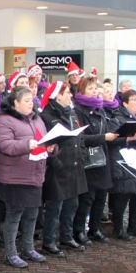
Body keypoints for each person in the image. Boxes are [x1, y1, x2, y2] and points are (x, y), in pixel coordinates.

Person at [0, 87, 55, 268]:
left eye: (32, 99)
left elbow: (45, 139)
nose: (31, 103)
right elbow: (4, 145)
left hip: (35, 173)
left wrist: (51, 147)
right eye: (26, 100)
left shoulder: (37, 118)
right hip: (14, 176)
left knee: (32, 213)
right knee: (14, 214)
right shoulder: (4, 120)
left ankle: (28, 248)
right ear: (15, 103)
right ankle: (10, 253)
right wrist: (28, 144)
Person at [39, 81, 88, 257]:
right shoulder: (46, 116)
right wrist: (56, 162)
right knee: (54, 208)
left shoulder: (72, 113)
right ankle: (48, 241)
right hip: (57, 168)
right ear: (58, 95)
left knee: (72, 205)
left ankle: (66, 237)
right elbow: (45, 142)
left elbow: (80, 137)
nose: (71, 95)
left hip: (74, 166)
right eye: (67, 92)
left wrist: (81, 155)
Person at [73, 77, 116, 243]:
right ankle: (79, 230)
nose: (95, 92)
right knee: (86, 199)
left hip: (102, 158)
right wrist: (103, 137)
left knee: (100, 197)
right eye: (91, 89)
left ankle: (95, 228)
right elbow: (81, 137)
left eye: (96, 89)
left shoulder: (100, 110)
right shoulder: (78, 111)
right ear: (82, 91)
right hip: (88, 160)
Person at [106, 90, 136, 240]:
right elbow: (111, 141)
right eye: (134, 100)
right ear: (125, 103)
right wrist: (129, 138)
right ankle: (118, 228)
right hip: (124, 162)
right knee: (123, 197)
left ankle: (133, 226)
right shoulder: (116, 120)